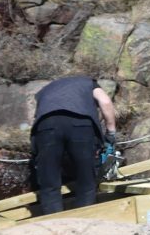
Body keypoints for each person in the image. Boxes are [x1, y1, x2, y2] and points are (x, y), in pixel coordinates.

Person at [31, 76, 117, 214]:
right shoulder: (88, 82)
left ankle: (53, 223)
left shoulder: (45, 90)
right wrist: (111, 132)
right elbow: (105, 101)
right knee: (86, 181)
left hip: (46, 126)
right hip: (80, 124)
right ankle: (83, 220)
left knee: (49, 183)